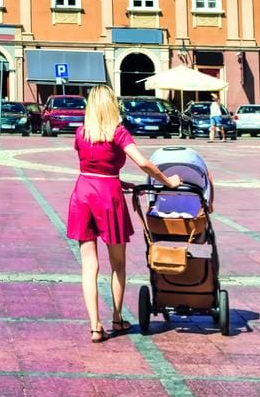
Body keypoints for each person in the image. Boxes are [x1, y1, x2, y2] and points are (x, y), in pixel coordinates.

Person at [66, 85, 182, 343]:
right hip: (108, 198)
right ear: (111, 105)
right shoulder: (118, 133)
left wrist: (115, 180)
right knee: (117, 263)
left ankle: (95, 326)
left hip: (83, 193)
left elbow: (94, 167)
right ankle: (117, 318)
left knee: (89, 265)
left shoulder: (81, 133)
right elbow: (142, 162)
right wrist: (166, 181)